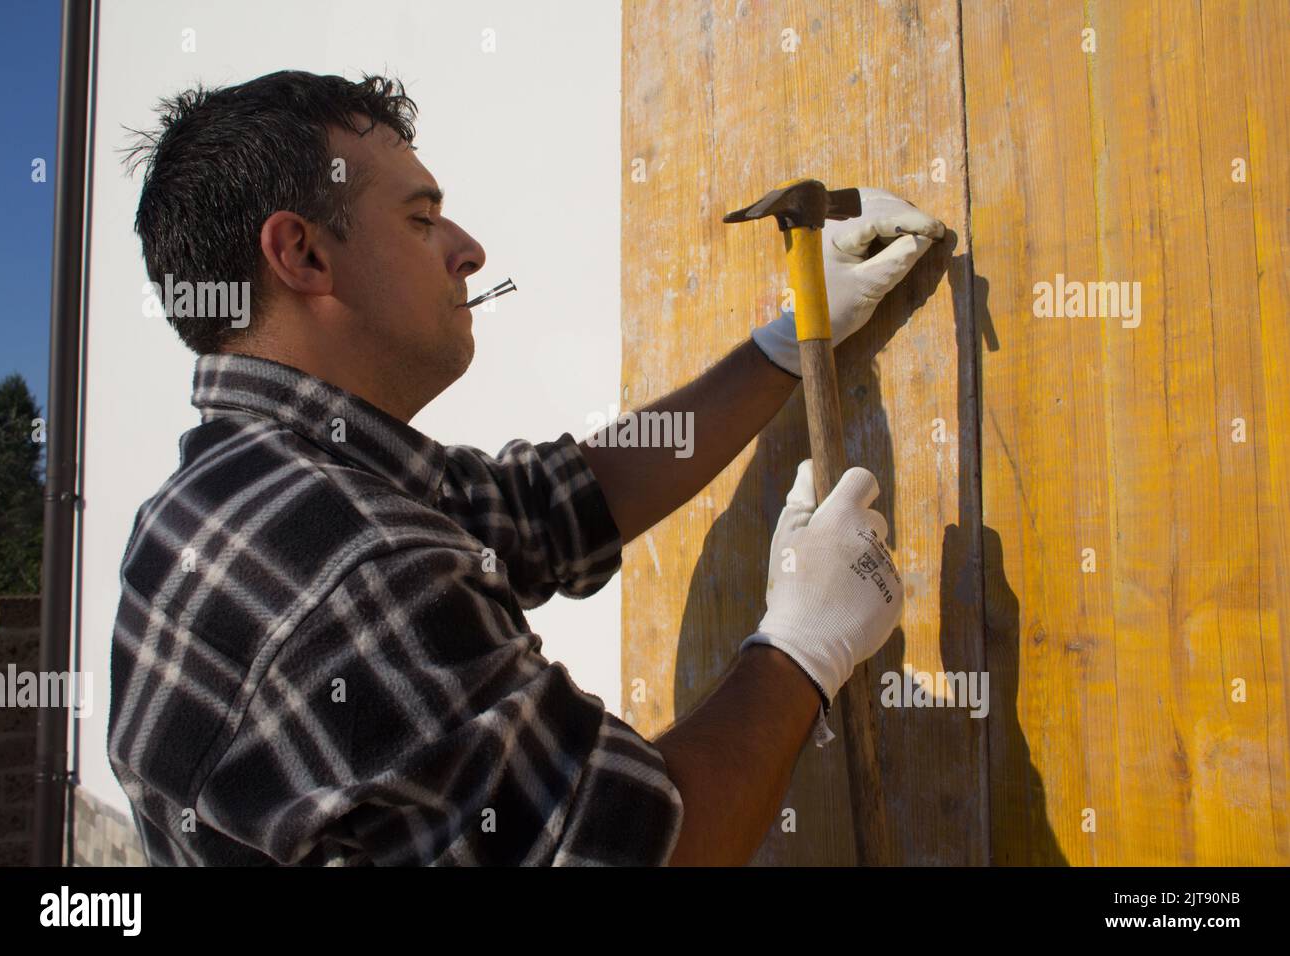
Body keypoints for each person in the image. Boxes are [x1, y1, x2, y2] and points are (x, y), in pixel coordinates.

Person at [107, 70, 943, 866]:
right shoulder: (340, 569)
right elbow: (645, 851)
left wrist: (782, 346)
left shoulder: (251, 486)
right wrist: (805, 646)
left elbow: (554, 507)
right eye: (421, 218)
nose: (468, 251)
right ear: (304, 256)